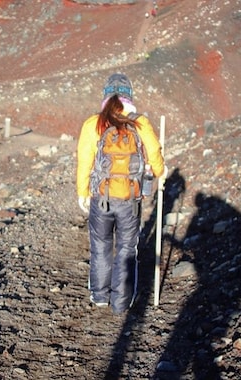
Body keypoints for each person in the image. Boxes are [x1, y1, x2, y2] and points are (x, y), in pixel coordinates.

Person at [76, 73, 165, 314]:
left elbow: (84, 161)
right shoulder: (140, 122)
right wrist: (160, 172)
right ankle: (121, 302)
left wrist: (83, 191)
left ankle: (100, 295)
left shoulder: (94, 123)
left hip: (101, 198)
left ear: (106, 96)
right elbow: (154, 152)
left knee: (101, 245)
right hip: (129, 199)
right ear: (129, 96)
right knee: (127, 249)